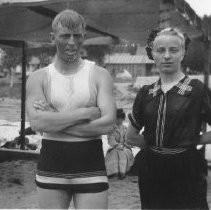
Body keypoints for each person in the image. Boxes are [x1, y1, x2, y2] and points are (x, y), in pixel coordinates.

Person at [26, 9, 116, 209]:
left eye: (77, 36)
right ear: (52, 37)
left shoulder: (99, 75)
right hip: (51, 165)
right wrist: (85, 113)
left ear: (84, 37)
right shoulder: (38, 77)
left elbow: (108, 122)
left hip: (90, 165)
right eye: (65, 36)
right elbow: (37, 123)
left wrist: (54, 119)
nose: (72, 42)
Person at [126, 27, 210, 209]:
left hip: (188, 169)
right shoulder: (146, 93)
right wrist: (155, 146)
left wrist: (192, 141)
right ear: (153, 54)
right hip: (151, 169)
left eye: (173, 50)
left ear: (183, 53)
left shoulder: (197, 90)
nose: (167, 56)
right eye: (160, 50)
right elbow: (130, 136)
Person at [105, 108, 134, 179]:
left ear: (123, 119)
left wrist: (126, 144)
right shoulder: (111, 128)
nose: (118, 120)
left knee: (124, 152)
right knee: (115, 152)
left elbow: (127, 139)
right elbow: (111, 140)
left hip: (124, 147)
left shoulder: (125, 128)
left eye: (120, 119)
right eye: (117, 118)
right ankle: (113, 172)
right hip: (114, 147)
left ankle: (122, 172)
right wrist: (118, 145)